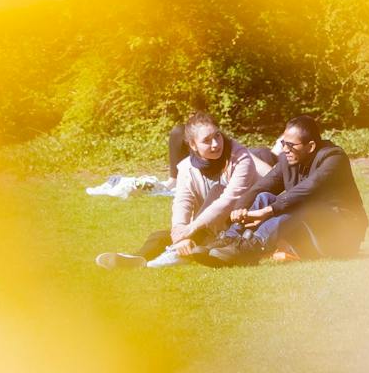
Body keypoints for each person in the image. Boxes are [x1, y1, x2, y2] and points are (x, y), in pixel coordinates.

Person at [96, 112, 270, 269]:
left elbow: (229, 199)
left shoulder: (240, 158)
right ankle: (137, 258)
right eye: (207, 140)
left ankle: (176, 253)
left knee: (218, 190)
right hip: (207, 227)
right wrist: (179, 230)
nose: (216, 144)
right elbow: (182, 201)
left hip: (239, 224)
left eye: (217, 136)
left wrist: (191, 229)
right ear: (193, 145)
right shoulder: (187, 167)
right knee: (159, 236)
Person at [203, 115, 366, 265]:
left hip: (342, 236)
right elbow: (262, 186)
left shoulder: (334, 158)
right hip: (310, 230)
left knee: (302, 203)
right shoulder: (288, 161)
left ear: (310, 146)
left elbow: (308, 189)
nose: (285, 149)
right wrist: (239, 209)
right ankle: (231, 238)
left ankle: (254, 246)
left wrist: (268, 211)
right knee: (263, 197)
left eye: (290, 145)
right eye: (283, 143)